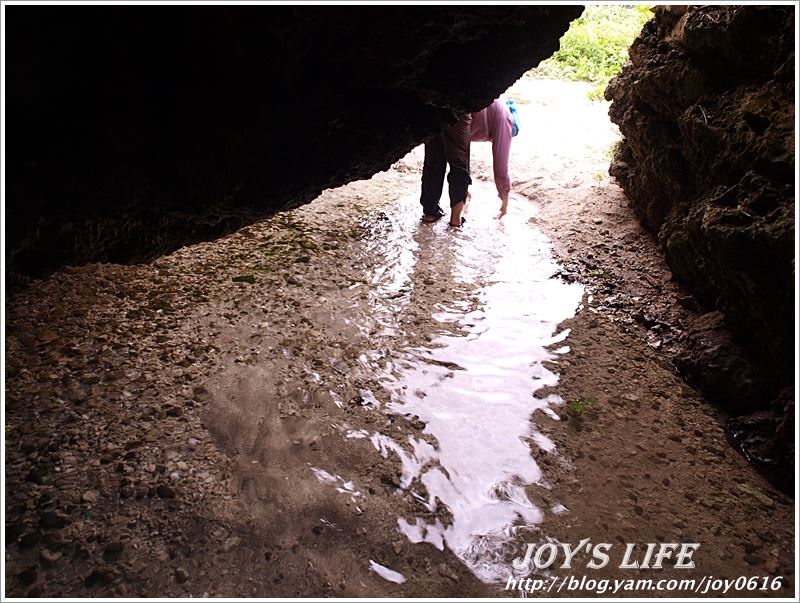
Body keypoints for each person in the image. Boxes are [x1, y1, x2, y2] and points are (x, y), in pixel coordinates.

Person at [419, 113, 472, 227]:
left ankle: (430, 213)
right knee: (459, 163)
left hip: (431, 105)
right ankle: (455, 220)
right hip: (458, 105)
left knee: (433, 161)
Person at [469, 98, 514, 218]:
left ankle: (504, 207)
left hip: (499, 117)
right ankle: (464, 194)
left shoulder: (501, 116)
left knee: (500, 167)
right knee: (458, 159)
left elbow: (501, 166)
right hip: (474, 121)